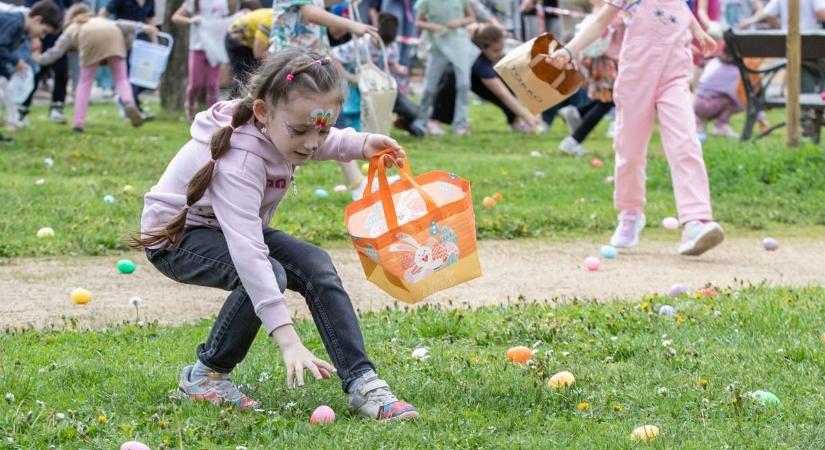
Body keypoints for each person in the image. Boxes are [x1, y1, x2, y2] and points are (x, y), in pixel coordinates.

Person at [129, 49, 419, 421]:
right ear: (263, 112)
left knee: (315, 264)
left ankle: (364, 383)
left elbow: (314, 139)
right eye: (300, 131)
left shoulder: (283, 127)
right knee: (271, 273)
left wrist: (360, 144)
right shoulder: (242, 160)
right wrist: (289, 340)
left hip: (223, 228)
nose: (312, 143)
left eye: (323, 128)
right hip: (176, 239)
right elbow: (249, 254)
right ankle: (206, 376)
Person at [549, 0, 725, 256]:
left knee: (686, 143)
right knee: (629, 150)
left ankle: (696, 221)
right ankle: (630, 212)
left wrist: (698, 31)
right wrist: (569, 50)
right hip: (636, 78)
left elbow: (681, 8)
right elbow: (600, 22)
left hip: (675, 76)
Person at [267, 0, 382, 200]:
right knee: (291, 129)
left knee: (324, 124)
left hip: (311, 66)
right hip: (291, 68)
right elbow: (309, 12)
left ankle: (356, 182)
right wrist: (352, 25)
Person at [34, 3, 158, 132]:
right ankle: (128, 102)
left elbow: (56, 51)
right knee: (121, 79)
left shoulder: (73, 26)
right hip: (114, 37)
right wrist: (143, 27)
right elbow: (123, 24)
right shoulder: (103, 20)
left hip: (90, 41)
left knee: (85, 83)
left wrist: (38, 58)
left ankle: (78, 123)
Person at [330, 12, 427, 136]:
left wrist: (398, 68)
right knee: (358, 119)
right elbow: (332, 56)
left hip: (382, 88)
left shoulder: (391, 46)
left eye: (388, 44)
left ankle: (401, 124)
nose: (385, 47)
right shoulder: (360, 45)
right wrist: (349, 77)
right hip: (361, 90)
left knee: (413, 111)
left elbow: (391, 63)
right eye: (383, 43)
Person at [432, 24, 540, 132]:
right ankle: (434, 120)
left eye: (501, 50)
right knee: (452, 80)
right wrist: (526, 116)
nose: (499, 54)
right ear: (482, 47)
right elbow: (502, 94)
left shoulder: (480, 40)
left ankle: (515, 121)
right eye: (495, 51)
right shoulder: (479, 62)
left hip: (474, 77)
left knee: (506, 81)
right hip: (452, 77)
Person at [558, 0, 624, 156]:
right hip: (607, 61)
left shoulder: (602, 8)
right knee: (608, 100)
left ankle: (577, 113)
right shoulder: (613, 10)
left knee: (609, 98)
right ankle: (572, 141)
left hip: (602, 59)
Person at [0, 0, 62, 140]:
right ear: (37, 20)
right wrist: (14, 62)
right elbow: (1, 46)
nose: (42, 36)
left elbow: (6, 48)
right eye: (44, 31)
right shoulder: (15, 23)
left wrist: (16, 62)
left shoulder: (20, 28)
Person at [415, 0, 478, 135]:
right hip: (437, 48)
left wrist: (460, 22)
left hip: (459, 46)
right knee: (429, 88)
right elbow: (419, 21)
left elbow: (471, 17)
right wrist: (433, 26)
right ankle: (421, 121)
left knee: (463, 84)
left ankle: (461, 124)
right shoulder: (426, 2)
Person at [173, 0, 238, 119]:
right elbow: (176, 17)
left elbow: (225, 21)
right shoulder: (194, 2)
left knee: (213, 85)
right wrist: (191, 20)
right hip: (197, 47)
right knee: (196, 83)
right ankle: (190, 104)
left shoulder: (223, 2)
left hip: (214, 47)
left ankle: (211, 117)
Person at [18, 0, 76, 126]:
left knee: (62, 73)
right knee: (36, 74)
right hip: (39, 34)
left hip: (59, 37)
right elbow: (31, 13)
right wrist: (34, 39)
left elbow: (71, 7)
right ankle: (22, 110)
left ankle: (57, 108)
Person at [98, 0, 156, 119]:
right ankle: (130, 105)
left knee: (144, 78)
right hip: (123, 41)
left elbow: (150, 22)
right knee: (129, 76)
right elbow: (102, 14)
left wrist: (155, 43)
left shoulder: (150, 2)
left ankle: (126, 101)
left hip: (142, 43)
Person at [224, 6, 271, 98]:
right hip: (237, 38)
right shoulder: (270, 22)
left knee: (252, 76)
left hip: (250, 41)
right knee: (243, 78)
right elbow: (259, 54)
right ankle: (231, 108)